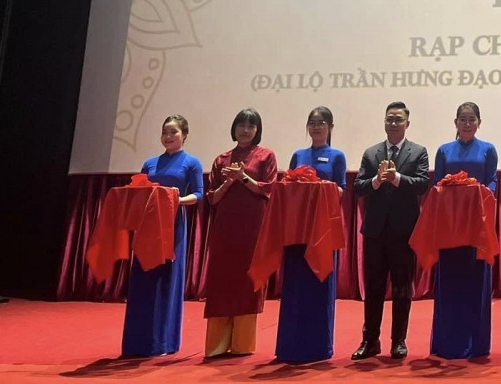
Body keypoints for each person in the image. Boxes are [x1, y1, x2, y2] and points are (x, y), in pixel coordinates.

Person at [351, 101, 430, 361]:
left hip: (404, 232)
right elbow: (359, 187)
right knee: (373, 288)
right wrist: (376, 180)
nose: (393, 123)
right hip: (375, 232)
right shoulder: (371, 153)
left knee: (402, 289)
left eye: (398, 119)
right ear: (384, 123)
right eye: (389, 119)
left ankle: (399, 341)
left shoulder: (418, 152)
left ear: (407, 123)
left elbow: (421, 185)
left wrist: (396, 179)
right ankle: (370, 340)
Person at [121, 114, 204, 357]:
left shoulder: (192, 162)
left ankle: (163, 342)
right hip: (147, 227)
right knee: (143, 279)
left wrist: (176, 200)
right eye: (165, 132)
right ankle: (138, 342)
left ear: (184, 135)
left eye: (173, 132)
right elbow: (139, 192)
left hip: (173, 225)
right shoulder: (150, 163)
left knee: (167, 280)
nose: (168, 137)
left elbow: (199, 195)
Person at [202, 108, 278, 358]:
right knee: (222, 277)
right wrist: (229, 181)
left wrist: (243, 177)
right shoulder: (221, 158)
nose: (245, 130)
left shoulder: (266, 156)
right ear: (234, 128)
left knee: (247, 279)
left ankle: (243, 344)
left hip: (253, 225)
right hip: (225, 226)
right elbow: (212, 198)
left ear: (257, 131)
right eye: (241, 125)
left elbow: (268, 189)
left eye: (251, 126)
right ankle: (217, 344)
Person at [276, 106, 348, 363]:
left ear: (330, 128)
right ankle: (291, 346)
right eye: (312, 122)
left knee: (319, 284)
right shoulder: (298, 155)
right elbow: (288, 189)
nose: (316, 127)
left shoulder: (337, 156)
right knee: (295, 287)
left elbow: (340, 191)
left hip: (321, 231)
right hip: (297, 230)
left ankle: (318, 347)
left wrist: (320, 189)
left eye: (322, 123)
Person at [429, 101, 498, 358]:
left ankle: (476, 344)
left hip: (476, 228)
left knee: (475, 282)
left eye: (472, 119)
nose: (467, 124)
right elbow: (437, 186)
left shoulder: (488, 149)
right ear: (455, 123)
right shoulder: (444, 150)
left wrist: (477, 194)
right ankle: (447, 343)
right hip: (449, 227)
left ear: (479, 122)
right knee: (450, 282)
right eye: (462, 119)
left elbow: (492, 182)